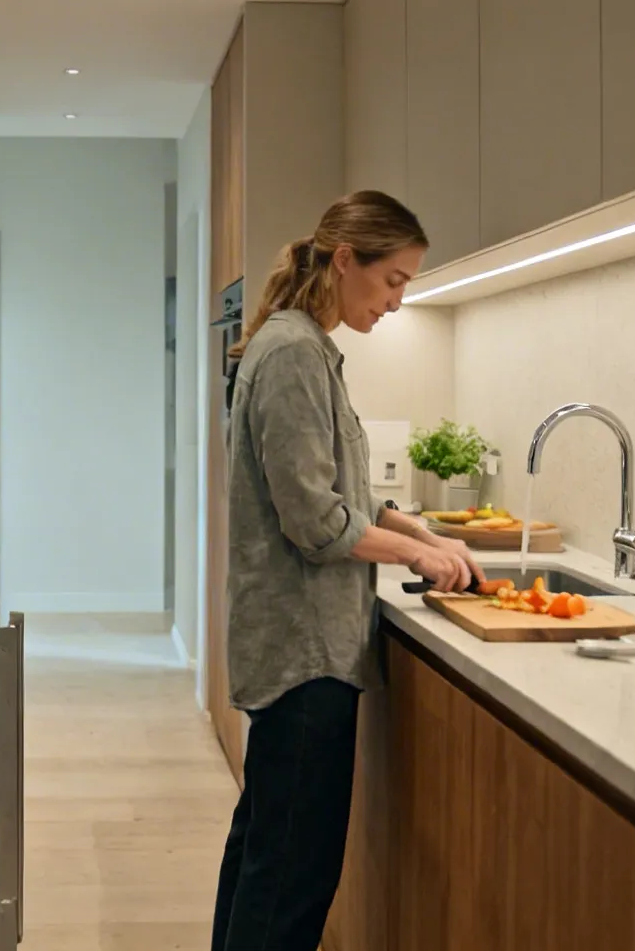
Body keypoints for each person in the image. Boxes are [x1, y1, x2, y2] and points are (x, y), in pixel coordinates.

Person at [211, 190, 485, 951]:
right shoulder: (294, 352)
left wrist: (416, 529)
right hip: (305, 655)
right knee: (290, 879)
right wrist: (419, 554)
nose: (396, 301)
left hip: (300, 648)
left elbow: (341, 493)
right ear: (343, 260)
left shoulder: (302, 345)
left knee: (266, 853)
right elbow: (316, 522)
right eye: (392, 279)